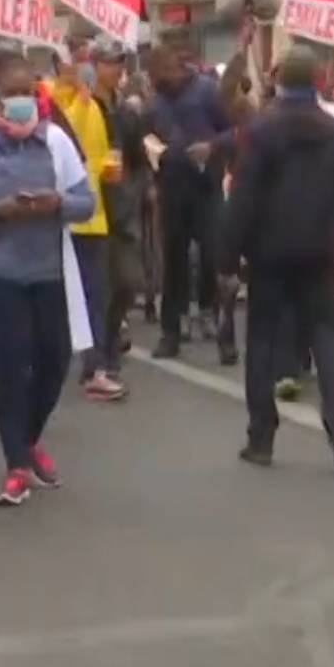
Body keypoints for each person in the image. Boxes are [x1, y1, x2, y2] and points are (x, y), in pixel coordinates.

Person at [0, 50, 97, 508]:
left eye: (27, 93)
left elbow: (86, 202)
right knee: (9, 368)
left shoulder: (56, 142)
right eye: (11, 94)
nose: (19, 102)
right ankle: (16, 466)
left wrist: (57, 203)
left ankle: (28, 439)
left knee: (54, 361)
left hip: (48, 272)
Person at [222, 48, 334, 474]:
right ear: (317, 81)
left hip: (269, 250)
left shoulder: (261, 130)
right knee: (326, 337)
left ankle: (261, 436)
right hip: (320, 249)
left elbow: (244, 198)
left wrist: (229, 256)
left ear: (280, 82)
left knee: (263, 339)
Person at [146, 36, 233, 361]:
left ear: (178, 67)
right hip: (171, 187)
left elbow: (233, 131)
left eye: (162, 73)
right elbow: (147, 135)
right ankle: (171, 331)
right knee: (174, 262)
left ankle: (219, 323)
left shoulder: (207, 91)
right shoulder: (156, 100)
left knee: (214, 257)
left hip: (205, 187)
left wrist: (212, 147)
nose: (159, 80)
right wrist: (152, 150)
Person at [50, 36, 126, 401]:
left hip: (94, 214)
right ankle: (82, 365)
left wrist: (110, 167)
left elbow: (95, 154)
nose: (84, 69)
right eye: (77, 62)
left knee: (97, 293)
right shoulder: (56, 103)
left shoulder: (93, 104)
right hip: (69, 217)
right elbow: (69, 143)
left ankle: (94, 365)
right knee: (73, 296)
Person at [93, 45, 148, 389]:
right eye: (108, 63)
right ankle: (100, 357)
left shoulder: (127, 113)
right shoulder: (84, 108)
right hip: (94, 210)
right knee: (101, 288)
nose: (114, 69)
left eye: (118, 64)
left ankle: (110, 340)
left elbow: (139, 159)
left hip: (123, 209)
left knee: (127, 283)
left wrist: (137, 190)